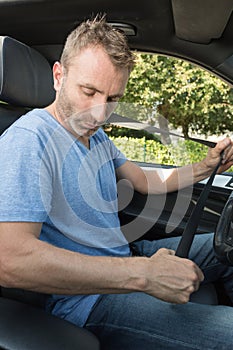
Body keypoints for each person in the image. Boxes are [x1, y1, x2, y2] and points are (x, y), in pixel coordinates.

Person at [1, 14, 233, 350]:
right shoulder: (29, 139)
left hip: (125, 256)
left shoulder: (95, 138)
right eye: (89, 91)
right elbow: (10, 259)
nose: (99, 113)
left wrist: (205, 166)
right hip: (89, 300)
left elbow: (142, 181)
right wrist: (144, 275)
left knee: (226, 245)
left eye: (112, 98)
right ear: (58, 76)